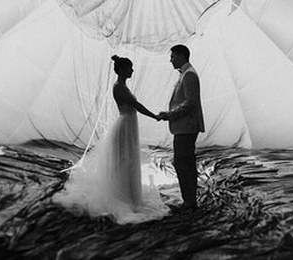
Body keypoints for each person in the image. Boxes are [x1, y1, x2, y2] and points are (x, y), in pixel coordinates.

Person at [54, 55, 168, 223]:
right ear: (122, 69)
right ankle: (123, 195)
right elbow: (137, 106)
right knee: (125, 159)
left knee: (129, 159)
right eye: (129, 67)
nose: (132, 70)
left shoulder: (123, 86)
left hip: (128, 124)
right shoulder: (119, 87)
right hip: (126, 125)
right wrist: (155, 116)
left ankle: (128, 194)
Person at [157, 44, 204, 214]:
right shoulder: (185, 73)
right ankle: (190, 201)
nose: (170, 60)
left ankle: (189, 202)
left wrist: (169, 115)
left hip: (186, 127)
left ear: (182, 56)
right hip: (184, 127)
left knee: (182, 164)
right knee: (185, 163)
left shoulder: (189, 74)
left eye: (173, 56)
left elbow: (190, 103)